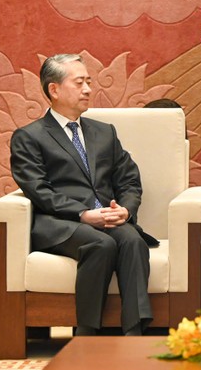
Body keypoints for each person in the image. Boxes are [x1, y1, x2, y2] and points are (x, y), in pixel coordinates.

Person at [9, 54, 155, 336]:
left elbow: (129, 180)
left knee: (132, 240)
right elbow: (38, 189)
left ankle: (134, 331)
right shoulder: (29, 136)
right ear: (54, 89)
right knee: (100, 244)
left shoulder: (104, 132)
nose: (88, 89)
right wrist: (82, 214)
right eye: (80, 83)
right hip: (59, 223)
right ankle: (86, 332)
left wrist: (125, 210)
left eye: (89, 82)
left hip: (106, 217)